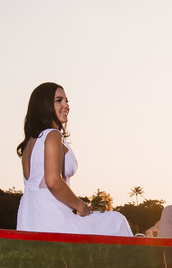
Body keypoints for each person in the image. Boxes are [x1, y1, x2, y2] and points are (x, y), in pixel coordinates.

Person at [16, 82, 132, 236]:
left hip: (30, 216)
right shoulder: (52, 135)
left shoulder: (30, 142)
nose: (66, 105)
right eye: (59, 100)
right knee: (117, 221)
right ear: (43, 105)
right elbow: (52, 181)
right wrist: (80, 206)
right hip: (52, 216)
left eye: (66, 101)